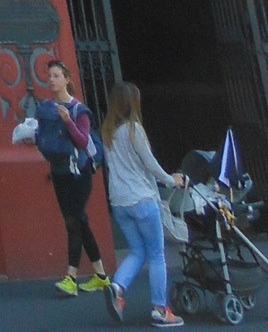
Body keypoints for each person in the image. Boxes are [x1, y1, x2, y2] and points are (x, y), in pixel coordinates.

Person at [102, 81, 186, 327]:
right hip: (142, 199)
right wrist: (172, 180)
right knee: (157, 254)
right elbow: (149, 163)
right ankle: (161, 310)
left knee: (137, 251)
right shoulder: (133, 129)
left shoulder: (107, 131)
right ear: (132, 103)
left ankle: (117, 286)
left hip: (119, 202)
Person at [35, 58, 110, 297]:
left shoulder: (79, 110)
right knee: (79, 221)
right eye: (49, 77)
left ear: (67, 79)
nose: (52, 80)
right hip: (59, 172)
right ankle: (100, 276)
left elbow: (83, 142)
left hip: (80, 173)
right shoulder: (47, 109)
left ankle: (71, 277)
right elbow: (47, 140)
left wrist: (68, 122)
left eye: (56, 76)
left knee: (73, 221)